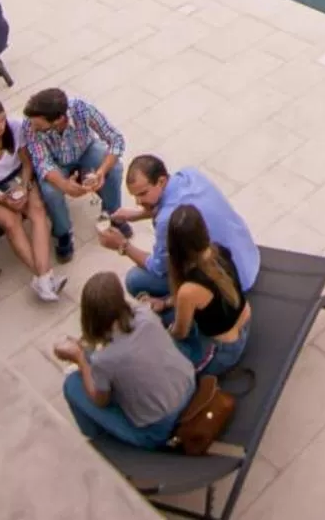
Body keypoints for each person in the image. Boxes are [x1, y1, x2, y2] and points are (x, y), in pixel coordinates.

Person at [54, 274, 196, 448]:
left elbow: (100, 401)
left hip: (157, 428)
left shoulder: (104, 360)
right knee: (98, 364)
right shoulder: (146, 314)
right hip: (189, 388)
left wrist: (80, 359)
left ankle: (99, 441)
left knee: (72, 384)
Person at [101, 155, 260, 301]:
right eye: (135, 196)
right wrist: (139, 214)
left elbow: (157, 268)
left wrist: (123, 245)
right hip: (248, 256)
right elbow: (175, 205)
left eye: (143, 194)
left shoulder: (167, 220)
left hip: (232, 283)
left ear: (161, 181)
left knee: (135, 279)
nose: (137, 201)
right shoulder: (189, 175)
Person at [0, 96, 66, 303]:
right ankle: (45, 276)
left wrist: (23, 187)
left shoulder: (15, 128)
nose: (1, 127)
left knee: (37, 211)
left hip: (17, 178)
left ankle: (42, 278)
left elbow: (26, 164)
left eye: (2, 120)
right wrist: (3, 200)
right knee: (11, 222)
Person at [23, 87, 132, 261]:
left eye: (39, 125)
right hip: (55, 162)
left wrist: (101, 171)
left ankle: (114, 214)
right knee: (51, 191)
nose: (33, 127)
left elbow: (116, 139)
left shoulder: (82, 108)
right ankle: (63, 232)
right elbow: (42, 162)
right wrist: (64, 185)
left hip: (85, 150)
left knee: (115, 168)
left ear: (59, 119)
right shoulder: (30, 125)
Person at [155, 205, 252, 376]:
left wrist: (165, 332)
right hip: (245, 323)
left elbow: (180, 333)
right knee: (167, 315)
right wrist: (166, 303)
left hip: (224, 352)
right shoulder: (219, 250)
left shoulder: (189, 289)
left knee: (159, 347)